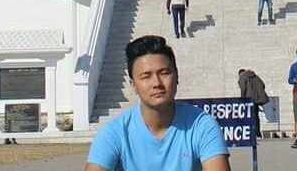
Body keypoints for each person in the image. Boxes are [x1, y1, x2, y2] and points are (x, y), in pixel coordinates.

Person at [84, 35, 230, 171]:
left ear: (177, 76)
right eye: (146, 76)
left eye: (164, 73)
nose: (157, 83)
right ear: (133, 85)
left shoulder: (201, 125)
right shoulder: (114, 132)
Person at [237, 68, 270, 138]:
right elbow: (263, 85)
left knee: (249, 116)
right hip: (257, 99)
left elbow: (243, 88)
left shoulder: (243, 77)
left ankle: (251, 132)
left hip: (248, 99)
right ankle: (257, 132)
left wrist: (242, 99)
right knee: (256, 116)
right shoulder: (255, 76)